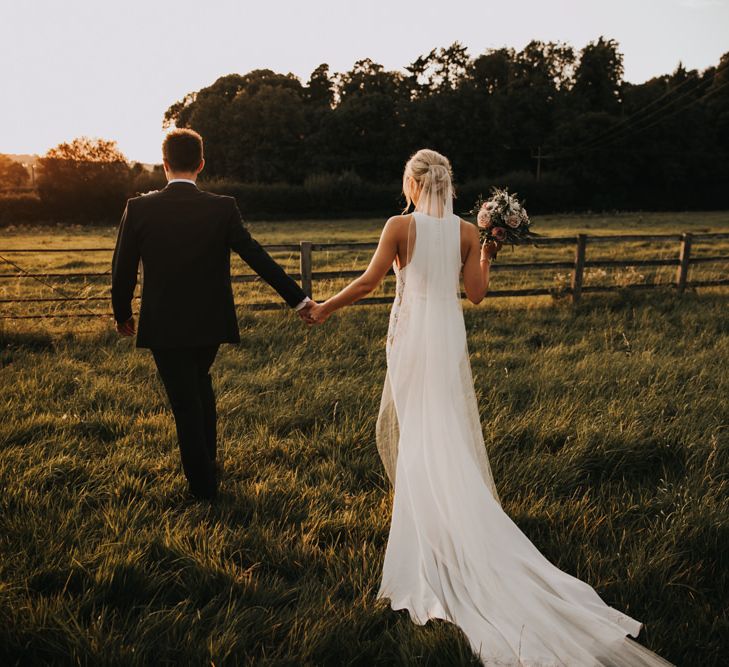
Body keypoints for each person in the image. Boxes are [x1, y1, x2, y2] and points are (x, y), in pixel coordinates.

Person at [304, 148, 675, 666]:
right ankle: (448, 514)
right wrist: (486, 254)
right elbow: (476, 295)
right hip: (446, 334)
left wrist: (324, 307)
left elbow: (369, 283)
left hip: (412, 339)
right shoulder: (464, 233)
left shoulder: (399, 226)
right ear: (447, 185)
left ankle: (428, 534)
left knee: (419, 432)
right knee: (444, 429)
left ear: (413, 185)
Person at [111, 128, 314, 501]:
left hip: (164, 324)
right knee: (199, 384)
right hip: (210, 323)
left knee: (185, 402)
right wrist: (299, 300)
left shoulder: (138, 208)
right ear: (201, 164)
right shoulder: (223, 207)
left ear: (165, 164)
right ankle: (210, 462)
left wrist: (121, 311)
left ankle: (203, 488)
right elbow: (256, 256)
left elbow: (122, 266)